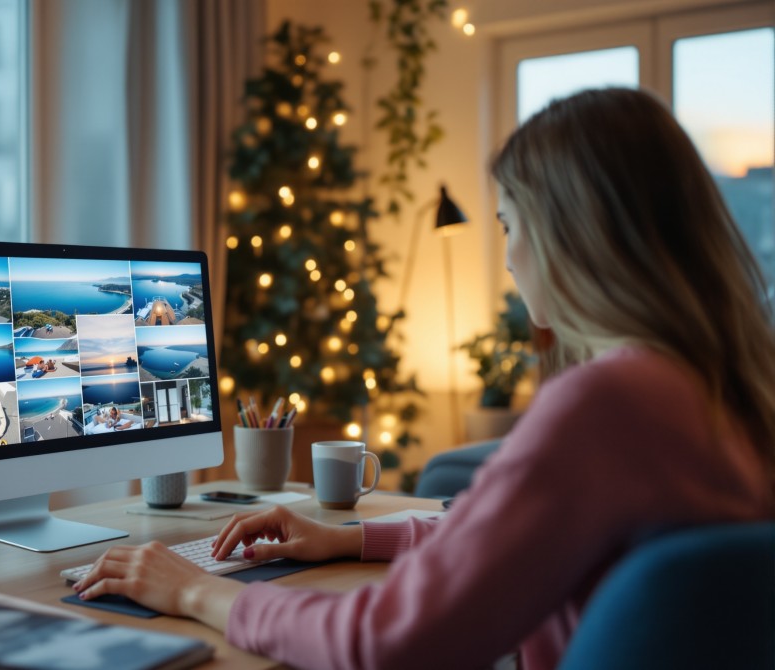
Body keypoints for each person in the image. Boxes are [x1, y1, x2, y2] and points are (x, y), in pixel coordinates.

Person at [70, 88, 775, 669]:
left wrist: (195, 593)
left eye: (507, 224)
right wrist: (346, 538)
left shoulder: (609, 404)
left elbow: (388, 640)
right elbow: (512, 543)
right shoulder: (719, 390)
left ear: (571, 233)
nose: (508, 257)